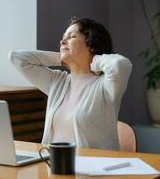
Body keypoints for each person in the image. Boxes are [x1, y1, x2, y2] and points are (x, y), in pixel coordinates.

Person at [9, 18, 132, 150]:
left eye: (71, 37)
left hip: (93, 167)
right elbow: (17, 59)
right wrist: (62, 58)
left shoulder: (105, 86)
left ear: (92, 46)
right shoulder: (57, 82)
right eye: (63, 38)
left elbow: (121, 64)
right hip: (54, 166)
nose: (62, 41)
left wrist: (93, 60)